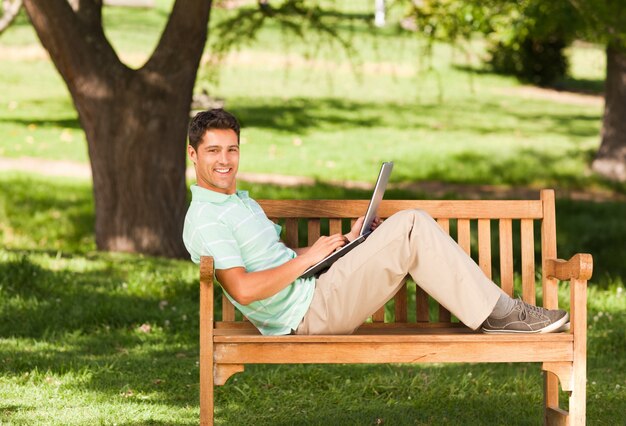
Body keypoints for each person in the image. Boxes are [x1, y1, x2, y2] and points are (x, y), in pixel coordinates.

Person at [183, 109, 569, 336]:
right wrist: (307, 260)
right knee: (412, 225)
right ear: (193, 154)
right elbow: (245, 289)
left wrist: (347, 242)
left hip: (316, 290)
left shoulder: (236, 202)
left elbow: (274, 259)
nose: (225, 160)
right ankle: (500, 314)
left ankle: (501, 312)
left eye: (231, 149)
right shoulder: (205, 219)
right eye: (213, 150)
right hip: (306, 314)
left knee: (401, 229)